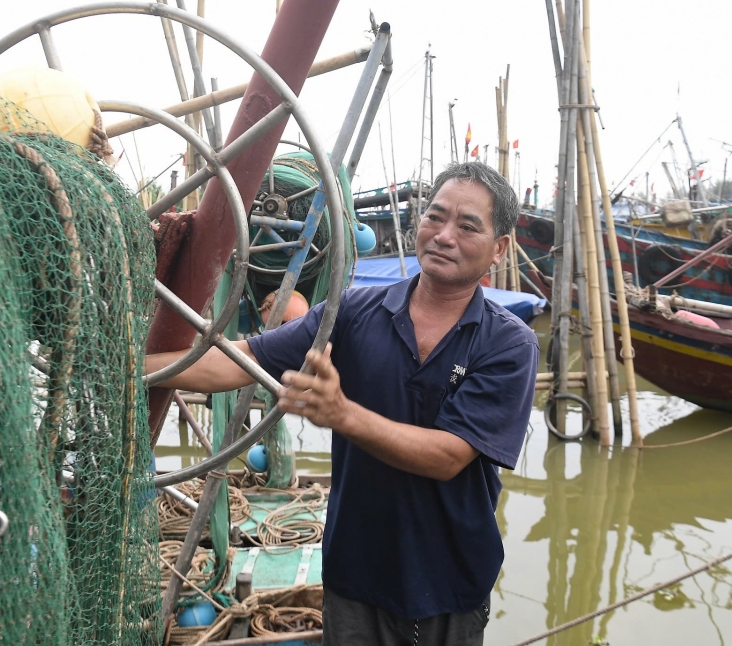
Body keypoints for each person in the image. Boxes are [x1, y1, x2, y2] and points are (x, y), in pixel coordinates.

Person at [148, 162, 538, 645]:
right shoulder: (353, 313)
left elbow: (449, 456)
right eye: (435, 217)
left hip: (450, 578)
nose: (444, 235)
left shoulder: (508, 344)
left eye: (467, 226)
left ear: (499, 248)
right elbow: (238, 361)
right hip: (356, 572)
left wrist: (342, 414)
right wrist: (133, 366)